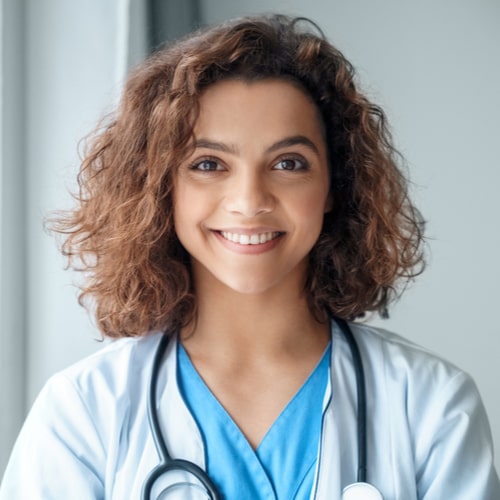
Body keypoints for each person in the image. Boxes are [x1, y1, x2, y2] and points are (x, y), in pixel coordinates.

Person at [1, 14, 498, 500]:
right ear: (161, 188)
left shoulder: (431, 405)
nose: (249, 199)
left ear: (333, 185)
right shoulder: (84, 411)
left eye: (288, 163)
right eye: (208, 164)